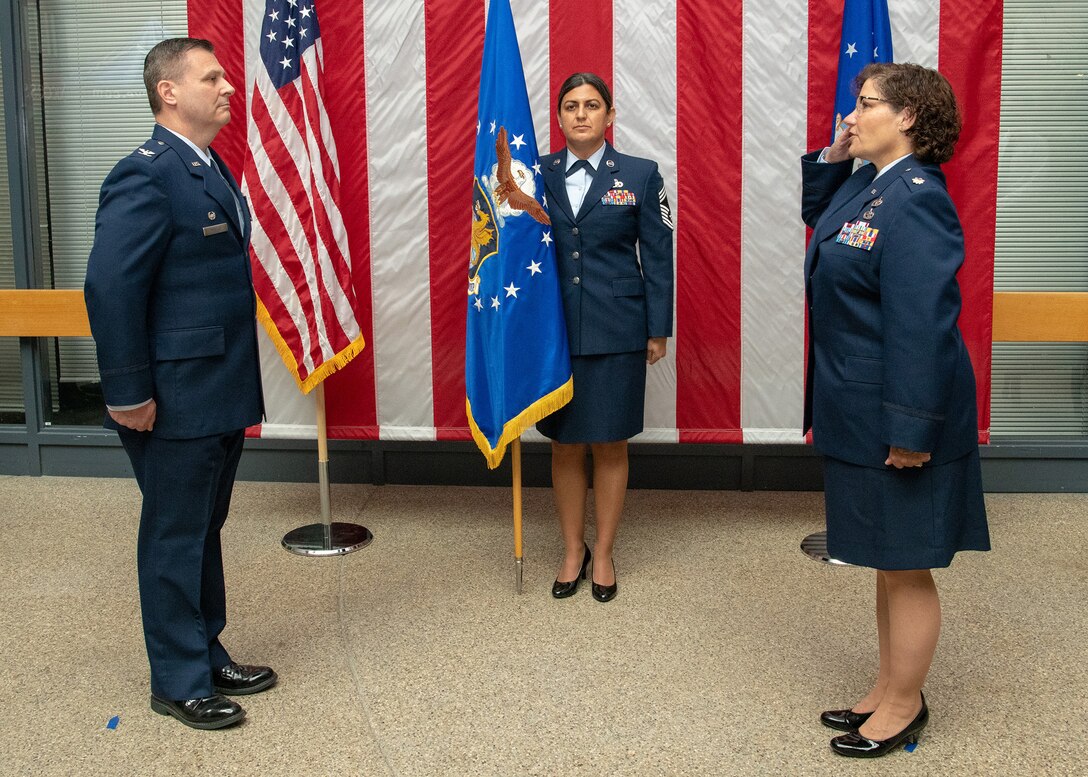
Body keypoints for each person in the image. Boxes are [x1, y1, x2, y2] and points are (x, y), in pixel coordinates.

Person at [800, 62, 991, 757]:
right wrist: (833, 157)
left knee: (907, 561)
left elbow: (923, 324)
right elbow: (820, 228)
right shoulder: (869, 186)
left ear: (908, 116)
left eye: (867, 104)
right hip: (858, 405)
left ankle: (905, 704)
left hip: (899, 413)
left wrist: (913, 431)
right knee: (884, 554)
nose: (852, 115)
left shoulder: (917, 200)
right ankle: (887, 684)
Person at [84, 38, 275, 730]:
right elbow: (109, 287)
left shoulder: (210, 165)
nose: (227, 87)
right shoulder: (144, 175)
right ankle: (177, 679)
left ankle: (206, 647)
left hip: (217, 389)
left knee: (204, 528)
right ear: (168, 92)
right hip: (171, 397)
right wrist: (127, 390)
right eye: (211, 76)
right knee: (174, 533)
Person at [536, 73, 674, 602]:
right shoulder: (535, 174)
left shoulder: (640, 175)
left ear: (609, 116)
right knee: (566, 445)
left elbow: (658, 255)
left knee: (610, 443)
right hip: (554, 330)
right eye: (570, 106)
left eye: (592, 105)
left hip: (618, 327)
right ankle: (573, 549)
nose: (581, 114)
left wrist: (657, 328)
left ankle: (607, 550)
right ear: (559, 116)